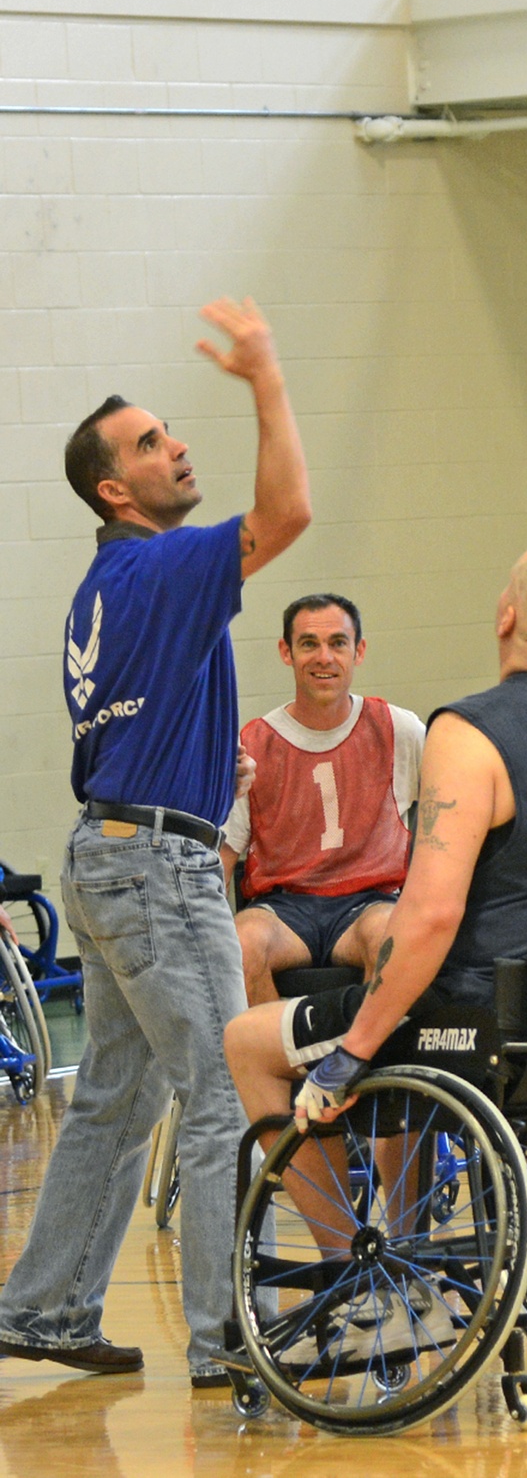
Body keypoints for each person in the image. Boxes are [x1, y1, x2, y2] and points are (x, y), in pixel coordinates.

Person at [0, 298, 310, 1386]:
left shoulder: (112, 583)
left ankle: (43, 1307)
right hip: (151, 869)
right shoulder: (163, 565)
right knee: (228, 1087)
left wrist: (197, 766)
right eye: (149, 442)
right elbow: (290, 509)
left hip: (115, 852)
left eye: (169, 428)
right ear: (112, 491)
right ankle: (236, 1339)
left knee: (118, 1097)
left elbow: (132, 723)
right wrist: (266, 374)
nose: (175, 444)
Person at [224, 535, 527, 1150]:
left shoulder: (465, 730)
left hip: (493, 1012)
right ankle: (400, 1221)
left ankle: (352, 1243)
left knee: (246, 1038)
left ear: (507, 616)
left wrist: (353, 1052)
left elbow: (430, 915)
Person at [220, 594, 424, 1006]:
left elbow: (456, 815)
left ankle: (362, 1063)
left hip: (371, 902)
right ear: (286, 652)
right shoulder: (252, 742)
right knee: (238, 945)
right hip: (283, 909)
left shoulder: (399, 729)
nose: (324, 657)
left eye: (338, 643)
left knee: (393, 939)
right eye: (309, 644)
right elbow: (223, 857)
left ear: (359, 651)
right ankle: (279, 1060)